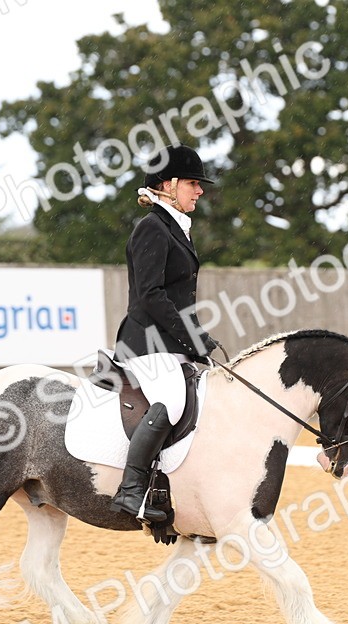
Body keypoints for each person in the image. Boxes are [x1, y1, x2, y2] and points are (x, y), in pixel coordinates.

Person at [110, 144, 220, 523]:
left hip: (172, 343)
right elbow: (152, 295)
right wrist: (194, 337)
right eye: (193, 183)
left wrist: (197, 339)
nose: (200, 191)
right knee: (173, 399)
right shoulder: (152, 228)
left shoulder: (176, 229)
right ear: (169, 185)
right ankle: (132, 490)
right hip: (146, 342)